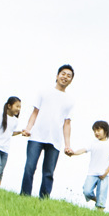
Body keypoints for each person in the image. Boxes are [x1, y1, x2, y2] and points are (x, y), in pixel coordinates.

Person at [19, 64, 76, 198]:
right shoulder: (44, 92)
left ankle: (44, 200)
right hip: (37, 136)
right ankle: (24, 196)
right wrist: (28, 128)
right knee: (29, 167)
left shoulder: (70, 101)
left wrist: (67, 145)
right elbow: (35, 112)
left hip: (55, 140)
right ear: (57, 76)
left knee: (48, 172)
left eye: (69, 76)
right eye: (63, 74)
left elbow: (67, 123)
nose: (65, 77)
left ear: (71, 81)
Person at [67, 120, 109, 210]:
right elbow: (83, 150)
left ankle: (100, 213)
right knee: (87, 191)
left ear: (105, 131)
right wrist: (73, 153)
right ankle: (96, 200)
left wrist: (106, 172)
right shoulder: (93, 143)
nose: (96, 133)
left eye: (98, 130)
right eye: (94, 131)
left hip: (103, 175)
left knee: (102, 197)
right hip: (92, 173)